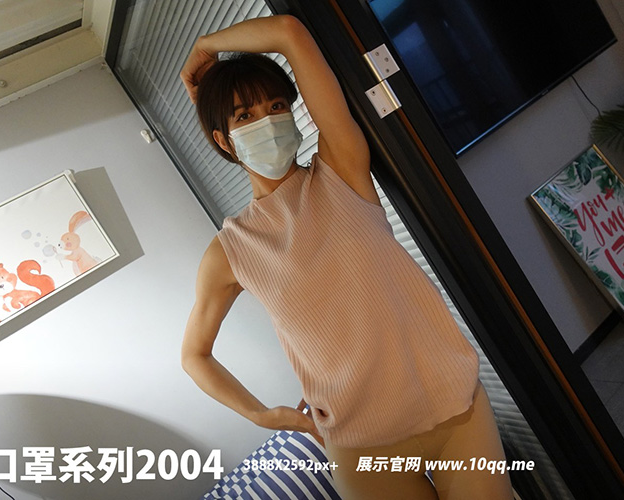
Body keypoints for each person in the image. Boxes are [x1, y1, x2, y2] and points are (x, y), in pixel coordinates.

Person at [180, 14, 514, 500]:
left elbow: (290, 33)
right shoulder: (229, 252)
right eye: (244, 116)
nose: (267, 122)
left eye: (276, 106)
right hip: (361, 447)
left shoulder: (341, 168)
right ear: (223, 140)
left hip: (455, 410)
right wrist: (262, 414)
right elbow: (194, 356)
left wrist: (206, 44)